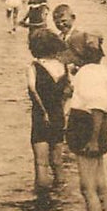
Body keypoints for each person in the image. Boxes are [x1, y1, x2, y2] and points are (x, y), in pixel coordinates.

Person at [66, 32, 107, 211]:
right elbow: (106, 105)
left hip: (85, 127)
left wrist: (93, 139)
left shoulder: (86, 74)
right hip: (100, 126)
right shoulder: (101, 70)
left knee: (87, 186)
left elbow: (96, 106)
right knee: (99, 181)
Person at [26, 29, 71, 190]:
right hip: (58, 114)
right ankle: (60, 194)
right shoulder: (62, 66)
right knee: (57, 161)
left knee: (41, 163)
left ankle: (42, 199)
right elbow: (68, 91)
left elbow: (32, 89)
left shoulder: (34, 66)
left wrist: (43, 111)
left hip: (40, 115)